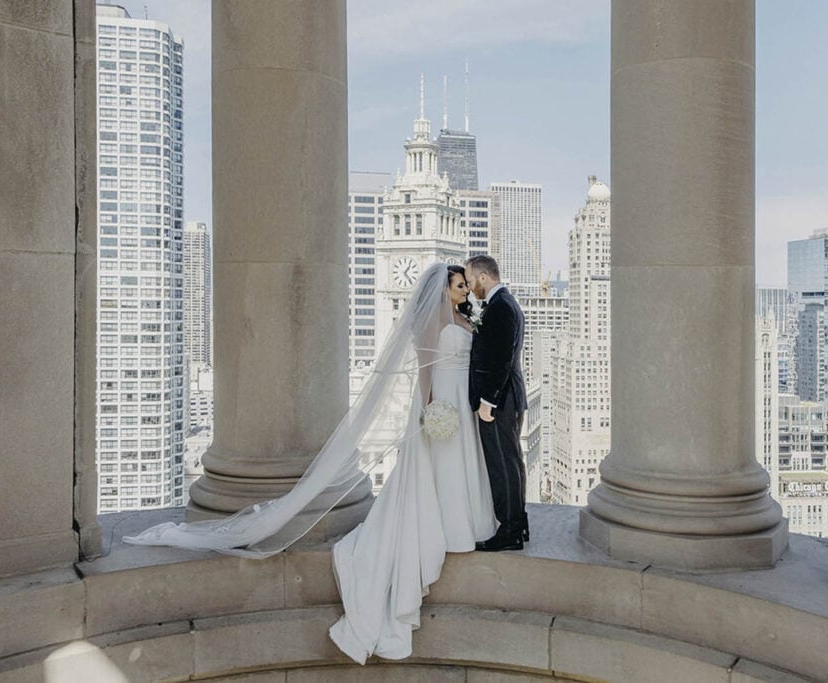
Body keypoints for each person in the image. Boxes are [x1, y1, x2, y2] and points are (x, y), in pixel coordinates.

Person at [123, 262, 497, 664]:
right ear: (444, 289)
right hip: (441, 401)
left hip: (461, 401)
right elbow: (425, 371)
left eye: (465, 285)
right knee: (434, 471)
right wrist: (428, 412)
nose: (465, 290)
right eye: (460, 285)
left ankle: (461, 525)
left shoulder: (463, 317)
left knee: (457, 470)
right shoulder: (431, 323)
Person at [464, 255, 529, 551]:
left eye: (470, 279)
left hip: (500, 401)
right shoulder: (503, 303)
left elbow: (501, 359)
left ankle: (510, 530)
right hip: (508, 398)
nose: (469, 285)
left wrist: (488, 402)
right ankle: (518, 523)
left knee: (502, 464)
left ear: (483, 277)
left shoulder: (501, 306)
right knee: (512, 462)